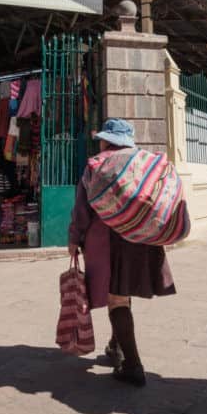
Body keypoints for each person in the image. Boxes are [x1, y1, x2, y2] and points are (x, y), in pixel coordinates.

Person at [68, 118, 179, 387]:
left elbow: (83, 210)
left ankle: (133, 365)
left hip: (108, 241)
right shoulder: (145, 161)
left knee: (116, 298)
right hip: (142, 239)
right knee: (123, 293)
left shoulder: (97, 165)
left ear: (107, 140)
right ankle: (114, 346)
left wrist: (74, 238)